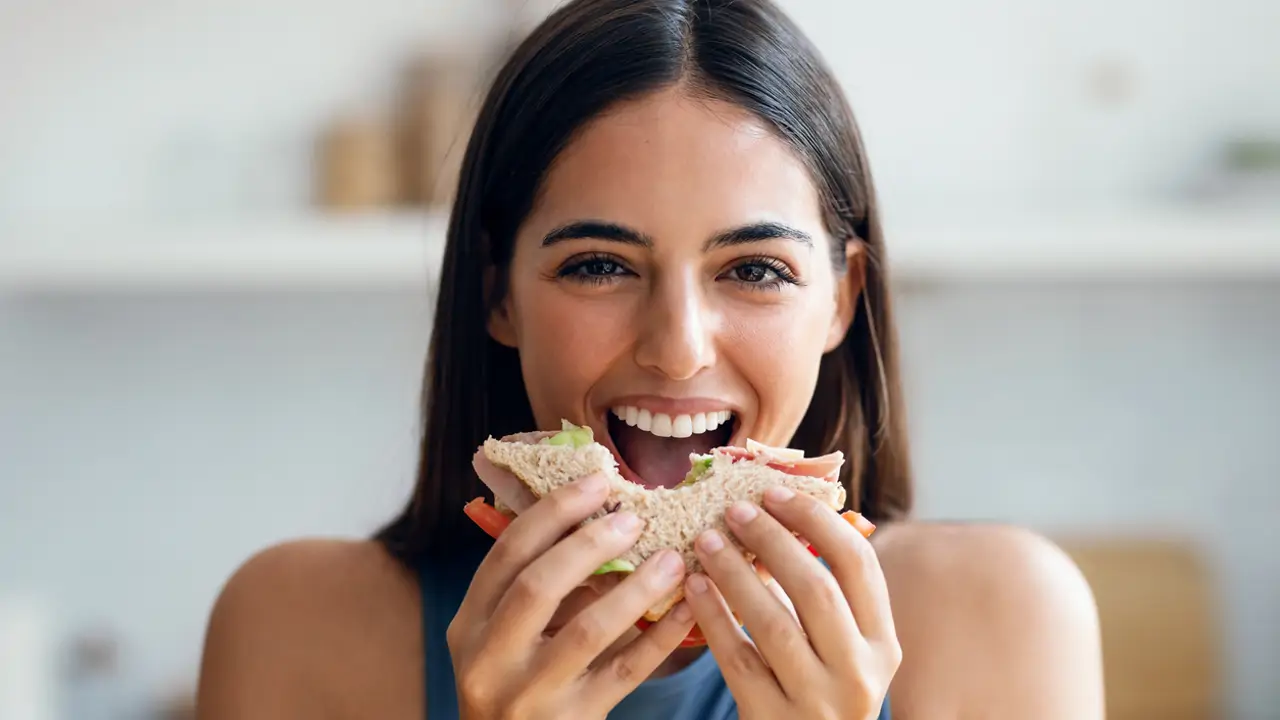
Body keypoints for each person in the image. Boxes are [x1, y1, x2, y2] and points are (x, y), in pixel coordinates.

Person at [196, 1, 1104, 718]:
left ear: (842, 299)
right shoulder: (295, 626)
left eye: (753, 269)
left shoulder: (1004, 615)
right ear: (497, 296)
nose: (677, 349)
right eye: (599, 266)